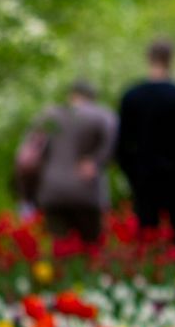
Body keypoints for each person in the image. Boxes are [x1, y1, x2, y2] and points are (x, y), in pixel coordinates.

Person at [116, 40, 175, 247]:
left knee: (147, 238)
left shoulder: (132, 96)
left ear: (149, 58)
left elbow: (122, 144)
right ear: (171, 60)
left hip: (144, 177)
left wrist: (132, 173)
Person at [28, 79, 118, 245]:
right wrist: (96, 162)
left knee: (60, 248)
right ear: (92, 97)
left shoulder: (49, 115)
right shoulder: (102, 115)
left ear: (71, 95)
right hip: (87, 191)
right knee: (91, 248)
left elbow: (31, 153)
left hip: (53, 190)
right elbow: (114, 146)